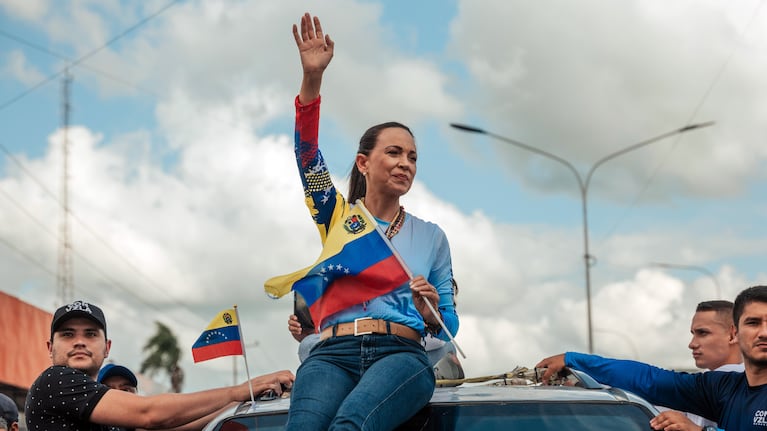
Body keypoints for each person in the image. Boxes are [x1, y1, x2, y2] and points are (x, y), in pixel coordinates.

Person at [284, 13, 458, 430]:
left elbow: (449, 327)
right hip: (331, 354)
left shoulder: (432, 237)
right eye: (394, 152)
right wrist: (312, 79)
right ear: (363, 163)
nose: (405, 163)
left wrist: (430, 311)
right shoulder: (338, 216)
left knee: (351, 425)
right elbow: (307, 156)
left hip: (401, 356)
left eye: (412, 157)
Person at [25, 300, 294, 431]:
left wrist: (241, 401)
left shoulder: (101, 410)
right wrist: (238, 391)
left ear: (107, 347)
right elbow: (150, 413)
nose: (80, 341)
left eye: (90, 334)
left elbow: (171, 427)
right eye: (68, 334)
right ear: (50, 348)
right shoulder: (55, 381)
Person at [536, 285, 767, 431]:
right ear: (736, 332)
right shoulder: (723, 387)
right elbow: (650, 380)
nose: (764, 332)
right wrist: (574, 359)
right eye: (753, 322)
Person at [654, 300, 743, 430]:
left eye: (703, 333)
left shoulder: (755, 389)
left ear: (732, 335)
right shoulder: (693, 386)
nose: (692, 344)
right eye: (693, 333)